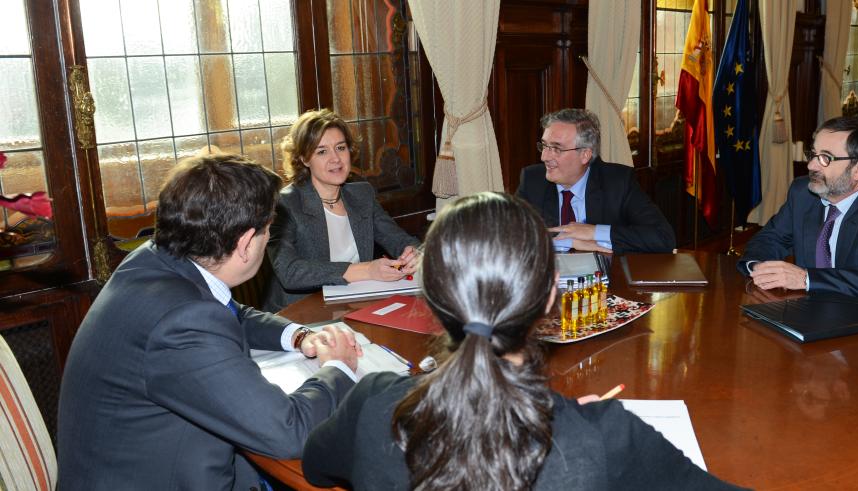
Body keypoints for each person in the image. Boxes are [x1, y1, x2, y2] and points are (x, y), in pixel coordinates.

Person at [301, 192, 743, 490]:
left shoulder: (373, 402)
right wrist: (591, 431)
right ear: (551, 292)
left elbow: (314, 467)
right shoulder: (607, 436)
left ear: (432, 301)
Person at [57, 154, 362, 490]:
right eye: (268, 231)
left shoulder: (154, 259)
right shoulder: (183, 322)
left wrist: (297, 335)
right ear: (246, 243)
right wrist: (339, 368)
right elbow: (290, 432)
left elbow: (227, 311)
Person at [737, 116, 858, 315]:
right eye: (813, 154)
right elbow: (770, 239)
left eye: (826, 158)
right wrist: (760, 267)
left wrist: (807, 279)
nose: (811, 166)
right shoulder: (802, 194)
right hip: (813, 311)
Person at [264, 109, 420, 312]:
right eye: (322, 151)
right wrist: (366, 270)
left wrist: (414, 254)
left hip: (355, 303)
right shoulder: (285, 204)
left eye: (341, 147)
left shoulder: (361, 194)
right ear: (303, 158)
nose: (336, 159)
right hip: (300, 312)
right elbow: (290, 272)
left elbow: (400, 240)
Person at [516, 108, 676, 254]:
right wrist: (570, 242)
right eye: (544, 146)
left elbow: (663, 237)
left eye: (557, 148)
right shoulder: (532, 180)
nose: (544, 157)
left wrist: (594, 233)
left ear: (585, 154)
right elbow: (509, 235)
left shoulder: (617, 181)